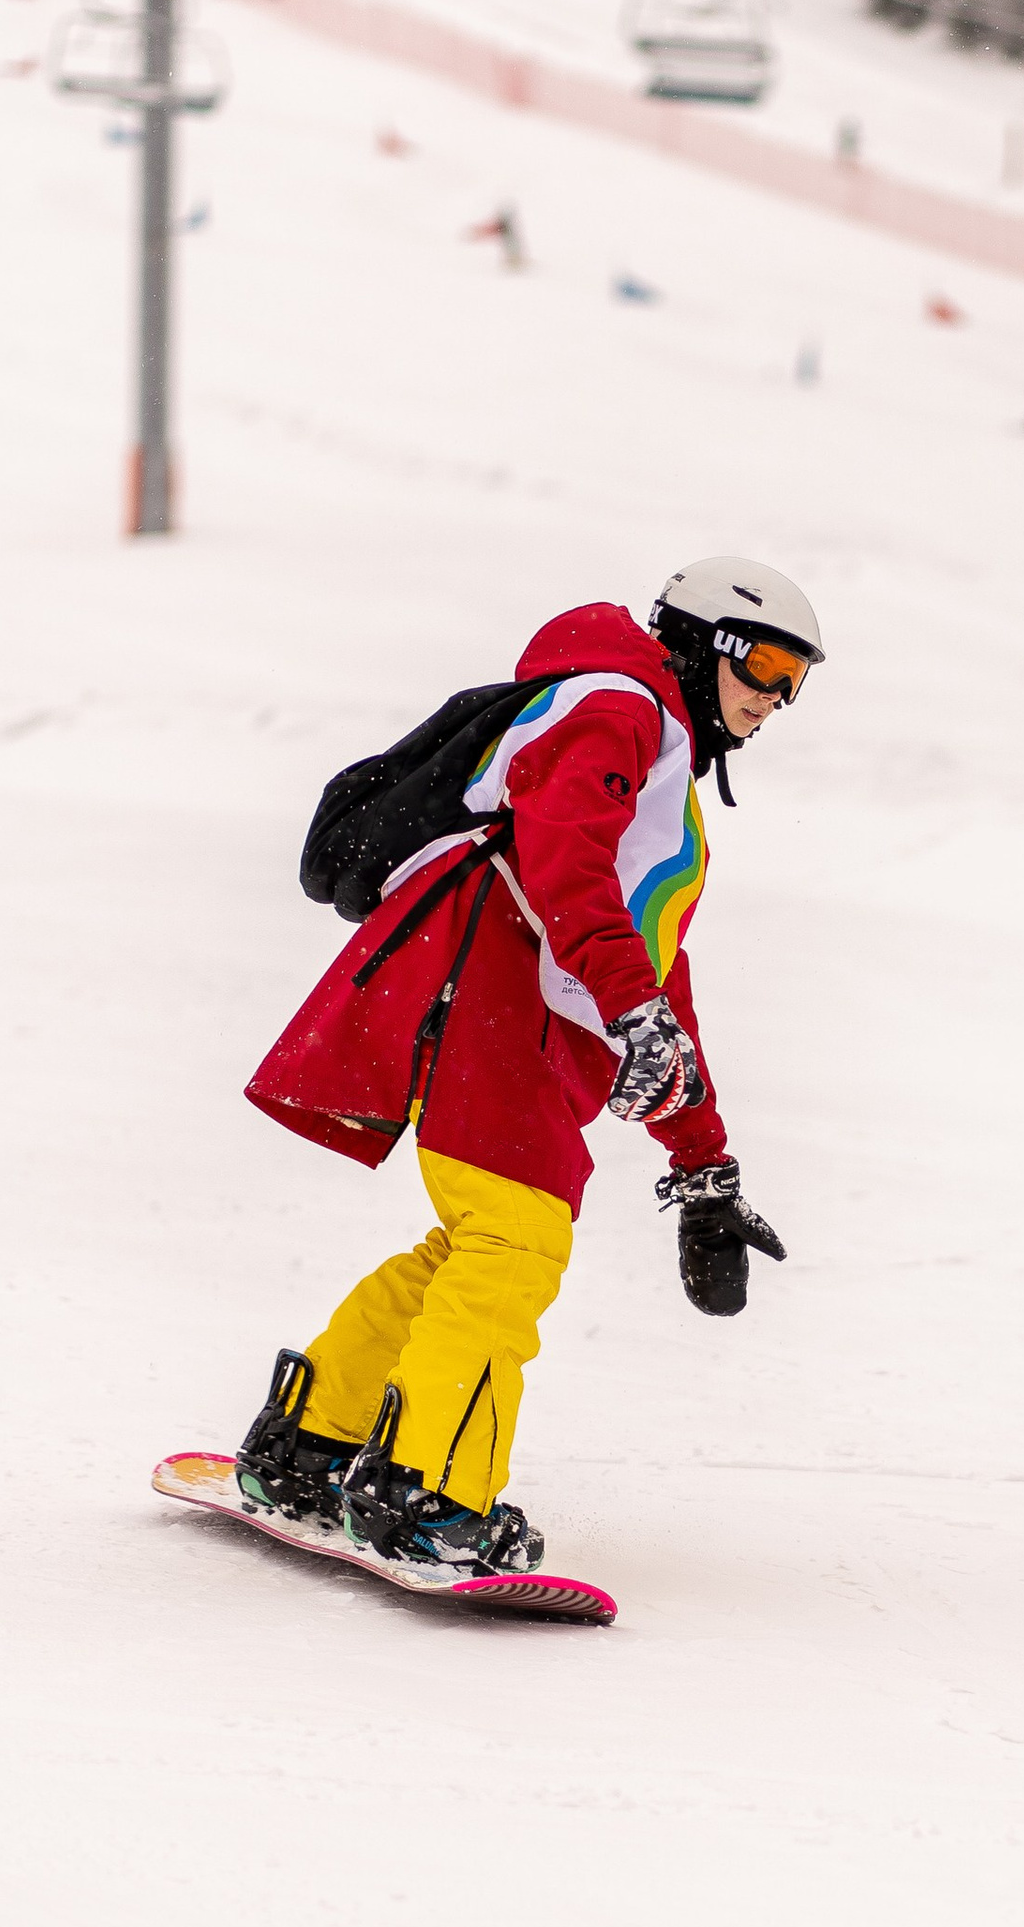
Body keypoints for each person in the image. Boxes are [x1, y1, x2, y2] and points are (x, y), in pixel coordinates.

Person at [234, 557, 823, 1578]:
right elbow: (564, 861)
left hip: (497, 1014)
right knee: (511, 1246)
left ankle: (312, 1441)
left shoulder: (659, 767)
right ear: (702, 643)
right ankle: (430, 1494)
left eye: (795, 682)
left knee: (476, 1243)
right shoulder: (617, 711)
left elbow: (655, 966)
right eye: (766, 664)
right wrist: (633, 1011)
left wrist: (704, 1165)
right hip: (487, 1002)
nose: (773, 699)